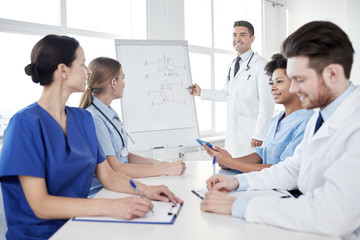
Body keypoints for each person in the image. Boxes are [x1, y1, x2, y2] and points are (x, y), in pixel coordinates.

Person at [0, 35, 182, 240]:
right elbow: (40, 205)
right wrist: (111, 206)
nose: (87, 71)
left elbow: (108, 175)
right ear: (63, 70)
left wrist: (146, 190)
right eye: (82, 64)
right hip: (39, 234)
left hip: (80, 223)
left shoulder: (83, 119)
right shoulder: (24, 125)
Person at [200, 21, 360, 239]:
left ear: (332, 74)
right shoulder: (320, 117)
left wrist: (238, 207)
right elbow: (292, 168)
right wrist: (237, 182)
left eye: (299, 80)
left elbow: (333, 215)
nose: (293, 89)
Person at [79, 57, 186, 195]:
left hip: (117, 187)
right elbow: (115, 168)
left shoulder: (108, 111)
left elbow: (123, 155)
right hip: (103, 192)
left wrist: (158, 163)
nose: (124, 83)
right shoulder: (95, 118)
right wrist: (164, 170)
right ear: (113, 83)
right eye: (122, 78)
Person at [203, 53, 313, 173]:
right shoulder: (277, 120)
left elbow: (284, 170)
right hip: (265, 184)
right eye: (272, 83)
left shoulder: (307, 122)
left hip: (284, 189)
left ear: (297, 83)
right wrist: (230, 162)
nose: (272, 88)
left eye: (279, 82)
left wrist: (232, 162)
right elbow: (261, 155)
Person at [190, 20, 274, 158]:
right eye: (234, 35)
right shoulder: (233, 65)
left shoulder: (262, 66)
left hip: (252, 136)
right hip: (234, 134)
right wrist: (202, 92)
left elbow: (267, 104)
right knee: (232, 171)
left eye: (242, 35)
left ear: (252, 39)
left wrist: (260, 134)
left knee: (248, 172)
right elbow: (228, 94)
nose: (237, 39)